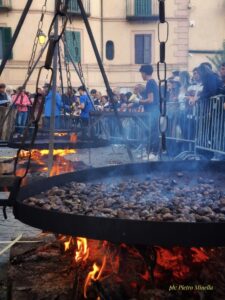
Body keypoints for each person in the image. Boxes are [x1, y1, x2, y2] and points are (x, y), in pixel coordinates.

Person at [138, 65, 160, 159]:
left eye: (141, 73)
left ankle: (154, 153)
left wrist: (138, 101)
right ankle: (148, 152)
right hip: (152, 111)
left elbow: (150, 100)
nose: (141, 75)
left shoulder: (150, 83)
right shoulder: (151, 82)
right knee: (149, 131)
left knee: (153, 132)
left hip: (153, 111)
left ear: (144, 73)